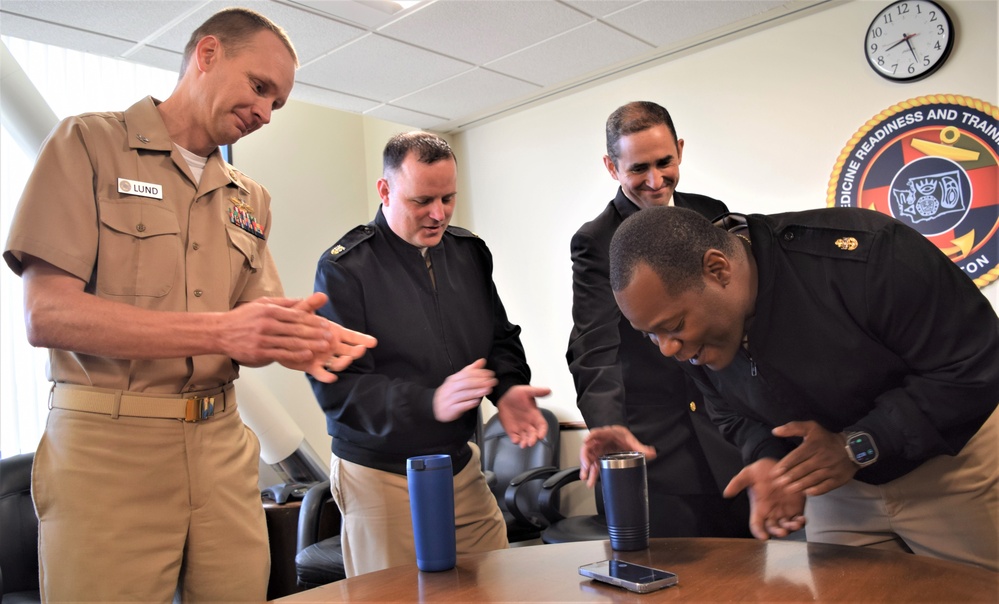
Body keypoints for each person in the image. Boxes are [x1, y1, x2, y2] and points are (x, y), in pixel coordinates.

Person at [3, 8, 376, 601]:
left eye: (276, 104)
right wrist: (223, 332)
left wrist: (303, 340)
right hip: (108, 447)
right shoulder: (90, 144)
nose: (263, 113)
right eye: (259, 87)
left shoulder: (249, 197)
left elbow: (258, 322)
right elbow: (46, 314)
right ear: (207, 54)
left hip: (222, 443)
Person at [608, 205, 998, 570]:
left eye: (674, 327)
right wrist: (767, 457)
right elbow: (730, 411)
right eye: (651, 335)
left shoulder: (869, 257)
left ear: (718, 269)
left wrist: (858, 444)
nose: (668, 349)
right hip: (836, 487)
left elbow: (974, 365)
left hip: (950, 468)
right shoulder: (690, 338)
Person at [309, 131, 551, 577]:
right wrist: (430, 402)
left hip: (459, 464)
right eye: (422, 200)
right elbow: (339, 391)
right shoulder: (345, 269)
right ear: (385, 190)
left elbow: (499, 338)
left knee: (496, 584)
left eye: (448, 198)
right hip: (382, 475)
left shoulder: (468, 252)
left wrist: (510, 388)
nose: (438, 214)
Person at [568, 101, 749, 537]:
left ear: (680, 150)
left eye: (665, 162)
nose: (655, 180)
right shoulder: (596, 240)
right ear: (612, 167)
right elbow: (595, 344)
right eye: (638, 169)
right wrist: (606, 423)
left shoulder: (711, 212)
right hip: (656, 449)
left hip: (730, 436)